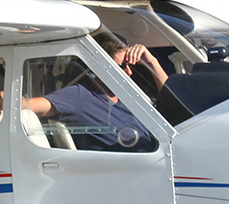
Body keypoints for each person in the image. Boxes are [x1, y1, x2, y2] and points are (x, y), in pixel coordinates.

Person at [21, 30, 161, 152]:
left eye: (130, 66)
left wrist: (152, 62)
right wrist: (5, 99)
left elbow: (175, 105)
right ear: (100, 67)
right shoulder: (78, 96)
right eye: (121, 67)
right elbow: (26, 105)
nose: (129, 72)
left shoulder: (133, 96)